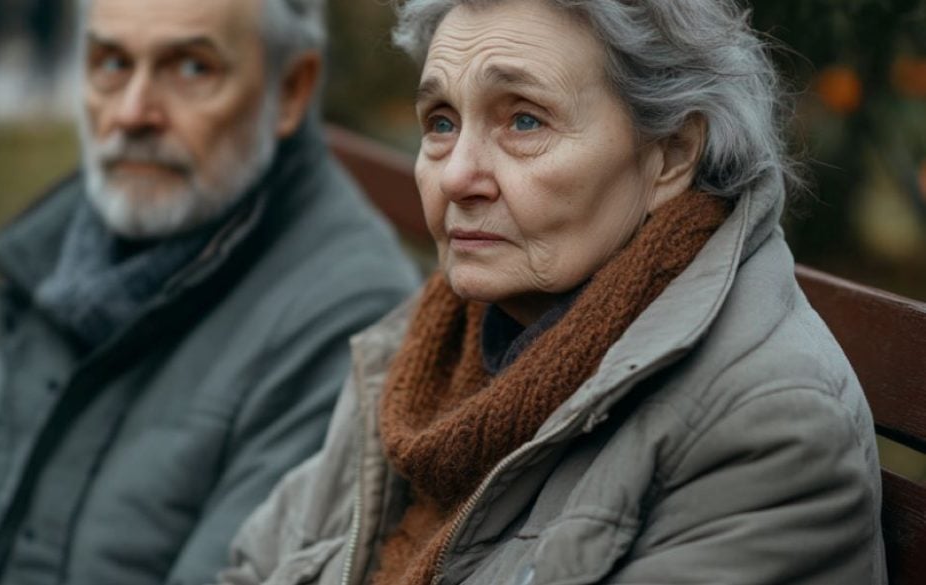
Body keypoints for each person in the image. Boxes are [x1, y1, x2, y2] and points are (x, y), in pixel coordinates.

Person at [219, 1, 887, 584]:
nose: (457, 176)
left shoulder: (768, 425)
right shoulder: (423, 348)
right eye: (442, 120)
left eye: (525, 121)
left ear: (673, 154)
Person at [0, 0, 419, 584]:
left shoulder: (347, 316)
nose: (132, 113)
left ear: (291, 89)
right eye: (110, 63)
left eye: (191, 68)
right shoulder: (91, 249)